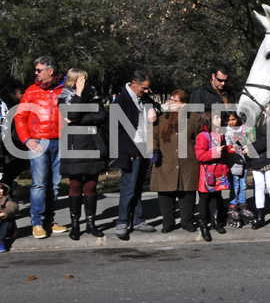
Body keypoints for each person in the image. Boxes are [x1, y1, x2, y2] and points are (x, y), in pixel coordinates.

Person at [14, 56, 66, 238]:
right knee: (39, 184)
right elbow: (19, 117)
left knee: (55, 185)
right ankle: (37, 223)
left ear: (50, 71)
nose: (35, 73)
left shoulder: (65, 89)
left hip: (61, 142)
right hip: (38, 142)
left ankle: (48, 222)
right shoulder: (31, 91)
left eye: (38, 70)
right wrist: (27, 140)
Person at [58, 68, 108, 240]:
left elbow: (101, 116)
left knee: (91, 185)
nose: (84, 83)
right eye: (81, 80)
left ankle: (91, 223)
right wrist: (78, 94)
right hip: (74, 144)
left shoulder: (93, 93)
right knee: (75, 185)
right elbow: (70, 113)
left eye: (85, 79)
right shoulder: (64, 95)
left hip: (93, 142)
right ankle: (74, 224)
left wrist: (79, 119)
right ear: (73, 80)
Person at [111, 70, 159, 240]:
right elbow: (116, 129)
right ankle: (122, 221)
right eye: (144, 88)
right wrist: (129, 148)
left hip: (143, 147)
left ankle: (138, 219)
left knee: (138, 186)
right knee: (129, 186)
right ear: (134, 83)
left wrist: (153, 108)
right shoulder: (121, 100)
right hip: (131, 150)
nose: (146, 91)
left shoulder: (143, 97)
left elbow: (156, 105)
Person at [150, 90, 200, 234]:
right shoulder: (161, 118)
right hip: (166, 161)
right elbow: (152, 135)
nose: (171, 103)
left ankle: (187, 222)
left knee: (187, 194)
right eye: (170, 99)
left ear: (184, 104)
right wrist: (153, 150)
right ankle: (168, 223)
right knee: (166, 195)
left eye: (175, 101)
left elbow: (200, 138)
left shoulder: (194, 118)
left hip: (188, 162)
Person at [194, 112, 229, 242]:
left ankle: (215, 222)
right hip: (207, 173)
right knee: (204, 198)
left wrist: (228, 149)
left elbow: (223, 152)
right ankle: (203, 224)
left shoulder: (220, 134)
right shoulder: (203, 136)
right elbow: (200, 156)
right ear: (208, 120)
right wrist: (215, 152)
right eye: (216, 117)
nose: (220, 119)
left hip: (218, 171)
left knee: (215, 196)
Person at [247, 107, 270, 229]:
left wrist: (252, 147)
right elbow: (248, 135)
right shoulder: (255, 118)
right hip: (257, 157)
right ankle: (260, 216)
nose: (267, 108)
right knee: (258, 186)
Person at [222, 111, 253, 227]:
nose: (231, 122)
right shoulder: (227, 131)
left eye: (233, 120)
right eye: (228, 120)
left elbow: (247, 142)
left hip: (243, 160)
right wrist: (231, 147)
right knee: (235, 184)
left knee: (243, 184)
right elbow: (227, 145)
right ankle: (232, 206)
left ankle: (243, 205)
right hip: (234, 161)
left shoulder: (242, 129)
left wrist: (240, 141)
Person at [1, 82, 28, 197]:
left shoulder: (4, 103)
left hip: (12, 142)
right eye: (21, 93)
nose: (24, 95)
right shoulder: (9, 105)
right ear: (12, 94)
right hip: (7, 142)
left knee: (16, 166)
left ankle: (7, 195)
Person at [0, 182, 18, 252]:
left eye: (1, 188)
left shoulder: (5, 198)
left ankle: (0, 241)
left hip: (3, 227)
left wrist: (3, 214)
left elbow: (13, 206)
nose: (2, 190)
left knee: (9, 217)